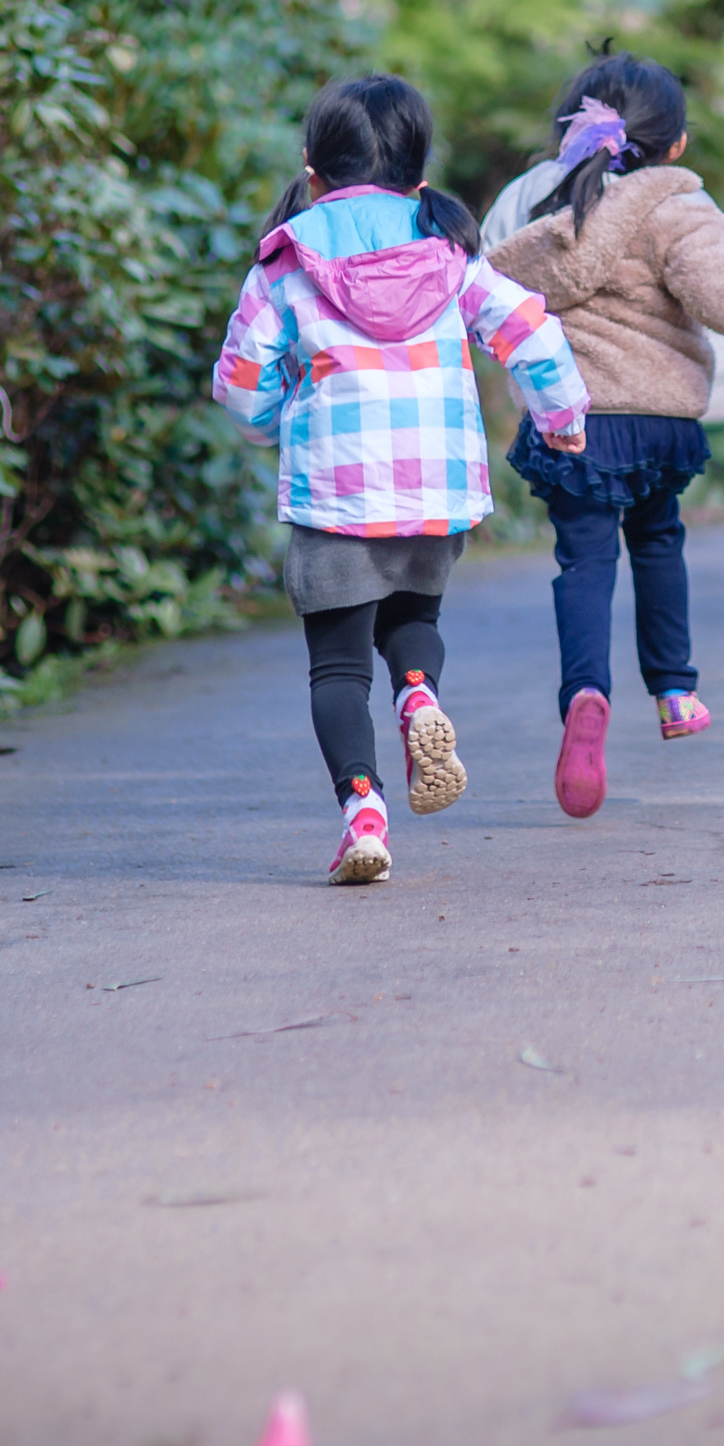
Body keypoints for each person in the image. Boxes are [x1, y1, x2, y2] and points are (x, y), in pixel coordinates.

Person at [213, 75, 589, 884]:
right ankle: (419, 695)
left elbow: (242, 385)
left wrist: (280, 418)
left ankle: (363, 815)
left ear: (311, 169)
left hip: (336, 494)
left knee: (338, 666)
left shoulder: (288, 262)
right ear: (419, 175)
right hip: (434, 489)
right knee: (413, 617)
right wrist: (561, 421)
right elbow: (530, 332)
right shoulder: (449, 254)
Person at [485, 52, 724, 819]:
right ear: (674, 144)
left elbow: (488, 290)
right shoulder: (679, 206)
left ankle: (585, 694)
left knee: (584, 560)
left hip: (573, 417)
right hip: (660, 419)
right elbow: (722, 288)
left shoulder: (532, 202)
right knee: (658, 542)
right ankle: (673, 690)